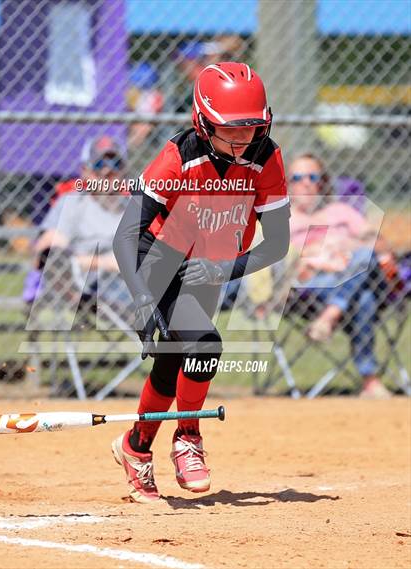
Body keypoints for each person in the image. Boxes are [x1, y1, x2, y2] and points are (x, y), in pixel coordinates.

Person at [112, 62, 291, 503]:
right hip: (159, 257)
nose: (242, 139)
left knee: (176, 360)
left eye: (251, 128)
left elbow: (279, 242)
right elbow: (126, 235)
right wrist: (140, 299)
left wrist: (224, 270)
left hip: (210, 263)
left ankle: (135, 448)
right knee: (203, 344)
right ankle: (187, 438)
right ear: (202, 121)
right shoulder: (178, 156)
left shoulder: (266, 157)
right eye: (229, 130)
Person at [288, 153, 392, 399]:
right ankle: (370, 380)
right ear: (288, 183)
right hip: (312, 286)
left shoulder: (341, 211)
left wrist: (344, 243)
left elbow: (381, 246)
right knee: (363, 294)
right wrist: (314, 255)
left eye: (312, 176)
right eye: (297, 177)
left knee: (363, 262)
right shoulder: (282, 217)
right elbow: (279, 264)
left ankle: (330, 315)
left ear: (322, 182)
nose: (305, 183)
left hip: (350, 272)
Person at [26, 136, 131, 314]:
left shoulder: (134, 208)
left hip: (125, 288)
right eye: (99, 164)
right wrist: (103, 262)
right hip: (81, 287)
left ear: (124, 171)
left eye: (115, 164)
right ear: (85, 170)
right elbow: (47, 253)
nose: (107, 170)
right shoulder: (73, 203)